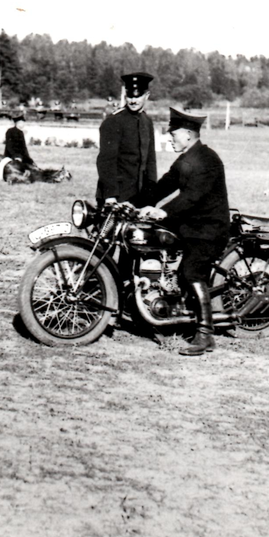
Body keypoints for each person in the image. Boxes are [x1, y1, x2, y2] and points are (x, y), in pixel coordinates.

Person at [139, 108, 230, 356]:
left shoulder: (207, 160)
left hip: (209, 228)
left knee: (191, 272)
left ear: (188, 134)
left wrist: (163, 212)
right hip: (191, 224)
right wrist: (133, 203)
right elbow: (164, 186)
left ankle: (205, 334)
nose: (169, 138)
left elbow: (191, 197)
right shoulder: (186, 159)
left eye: (173, 133)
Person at [96, 72, 158, 205]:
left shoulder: (147, 121)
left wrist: (151, 192)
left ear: (147, 95)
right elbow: (106, 161)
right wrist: (110, 195)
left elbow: (150, 160)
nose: (133, 101)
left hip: (140, 195)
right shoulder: (114, 121)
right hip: (117, 195)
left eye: (137, 96)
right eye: (130, 96)